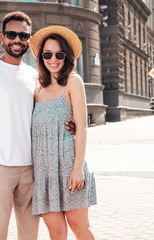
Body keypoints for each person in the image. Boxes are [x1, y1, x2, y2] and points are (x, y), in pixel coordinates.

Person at [0, 12, 75, 240]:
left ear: (29, 40)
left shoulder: (35, 75)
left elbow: (48, 109)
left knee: (29, 234)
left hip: (31, 167)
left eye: (23, 35)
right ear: (2, 37)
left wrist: (71, 124)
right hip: (1, 164)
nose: (17, 39)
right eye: (11, 34)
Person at [29, 26, 97, 240]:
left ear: (66, 56)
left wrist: (78, 168)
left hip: (69, 167)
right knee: (56, 232)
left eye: (59, 54)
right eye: (48, 54)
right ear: (41, 57)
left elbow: (82, 127)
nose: (53, 59)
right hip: (44, 172)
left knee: (80, 227)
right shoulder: (36, 89)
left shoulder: (73, 81)